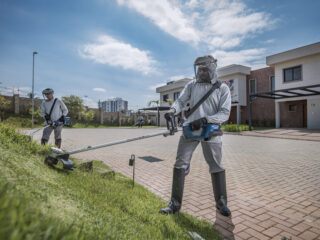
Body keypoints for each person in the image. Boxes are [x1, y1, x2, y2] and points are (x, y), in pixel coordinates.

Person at [159, 55, 232, 216]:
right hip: (190, 130)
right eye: (199, 69)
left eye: (204, 69)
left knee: (216, 165)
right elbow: (180, 101)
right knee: (180, 164)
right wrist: (172, 111)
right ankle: (174, 204)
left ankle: (221, 203)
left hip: (211, 131)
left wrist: (206, 119)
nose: (201, 72)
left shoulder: (222, 88)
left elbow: (225, 113)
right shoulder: (192, 85)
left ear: (212, 69)